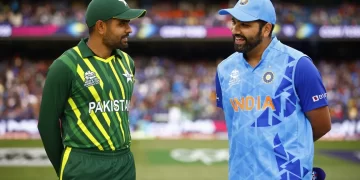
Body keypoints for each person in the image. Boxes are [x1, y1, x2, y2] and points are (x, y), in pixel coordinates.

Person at [214, 0, 331, 179]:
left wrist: (281, 150)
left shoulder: (298, 65)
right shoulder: (224, 70)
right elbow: (238, 126)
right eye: (234, 22)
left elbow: (322, 124)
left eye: (245, 24)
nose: (235, 30)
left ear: (267, 29)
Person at [37, 0, 146, 179]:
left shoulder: (128, 62)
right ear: (101, 27)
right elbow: (47, 124)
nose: (129, 29)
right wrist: (64, 168)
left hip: (124, 163)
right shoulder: (65, 66)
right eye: (121, 24)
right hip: (83, 164)